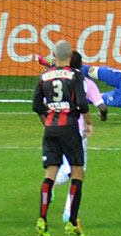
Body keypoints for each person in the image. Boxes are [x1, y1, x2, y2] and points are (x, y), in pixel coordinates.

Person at [35, 50, 107, 224]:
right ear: (81, 66)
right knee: (76, 172)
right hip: (77, 131)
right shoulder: (86, 83)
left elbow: (39, 104)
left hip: (54, 127)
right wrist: (101, 117)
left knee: (60, 169)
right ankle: (69, 214)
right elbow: (101, 106)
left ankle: (50, 188)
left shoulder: (54, 79)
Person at [32, 39, 93, 236]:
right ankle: (73, 222)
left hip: (50, 128)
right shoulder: (75, 75)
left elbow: (36, 105)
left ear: (54, 55)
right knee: (78, 172)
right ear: (69, 56)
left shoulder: (44, 76)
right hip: (69, 129)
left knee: (50, 173)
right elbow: (82, 103)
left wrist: (47, 120)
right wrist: (89, 123)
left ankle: (42, 219)